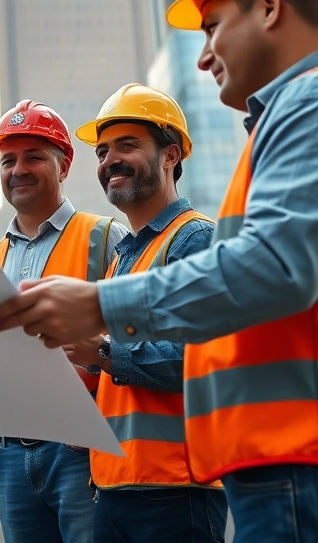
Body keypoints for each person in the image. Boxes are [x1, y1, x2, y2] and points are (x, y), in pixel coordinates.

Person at [0, 0, 318, 542]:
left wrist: (97, 306)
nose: (204, 56)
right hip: (300, 456)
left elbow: (275, 268)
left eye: (211, 28)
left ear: (268, 3)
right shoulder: (303, 115)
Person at [69, 85, 226, 543]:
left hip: (177, 491)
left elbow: (196, 358)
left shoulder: (194, 239)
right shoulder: (122, 258)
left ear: (171, 155)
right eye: (102, 151)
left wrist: (100, 351)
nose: (109, 160)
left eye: (127, 145)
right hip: (115, 488)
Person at [0, 101, 126, 543]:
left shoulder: (106, 237)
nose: (18, 169)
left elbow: (135, 339)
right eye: (9, 160)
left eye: (34, 157)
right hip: (11, 458)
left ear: (64, 166)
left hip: (81, 453)